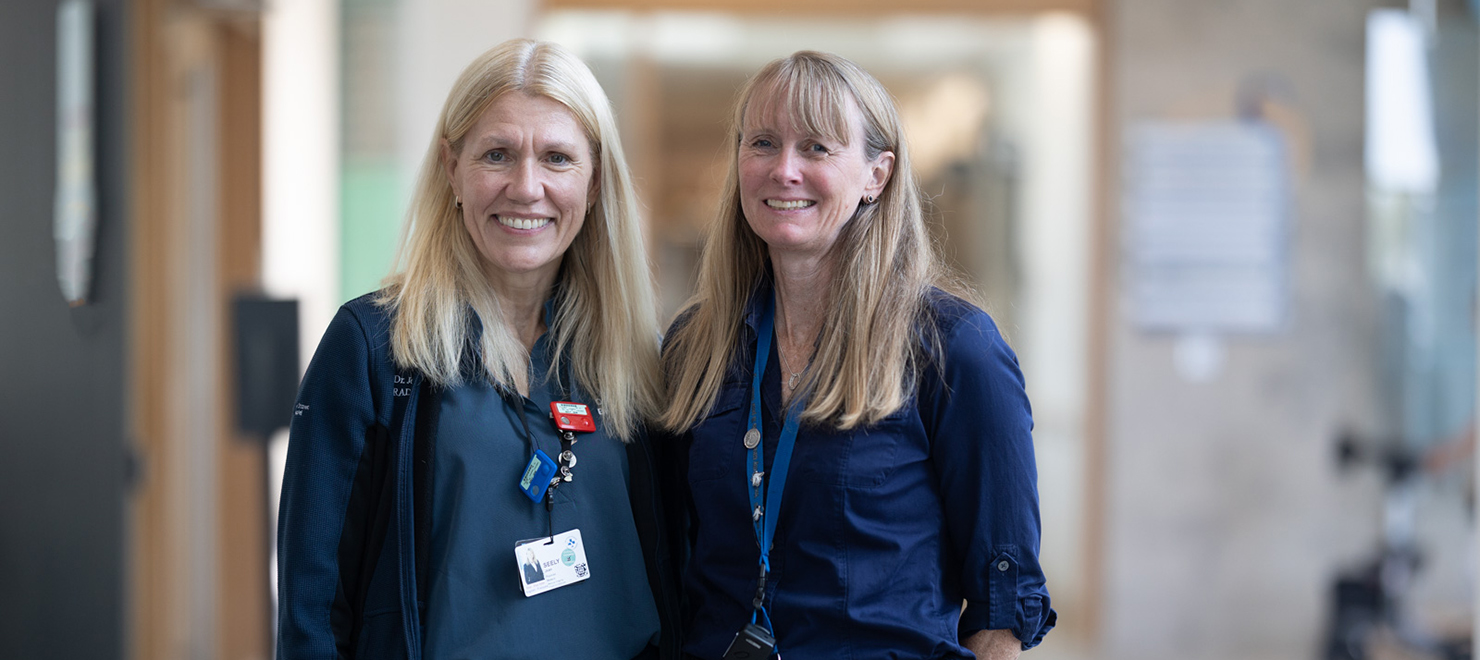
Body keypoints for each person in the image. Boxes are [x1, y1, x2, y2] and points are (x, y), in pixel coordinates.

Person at [277, 39, 678, 660]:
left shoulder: (638, 359)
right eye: (498, 154)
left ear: (595, 183)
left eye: (557, 158)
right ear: (451, 170)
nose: (527, 186)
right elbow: (313, 607)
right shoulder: (375, 349)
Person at [658, 51, 1055, 660]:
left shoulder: (953, 350)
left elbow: (1003, 608)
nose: (784, 169)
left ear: (877, 175)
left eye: (817, 148)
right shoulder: (697, 347)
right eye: (763, 142)